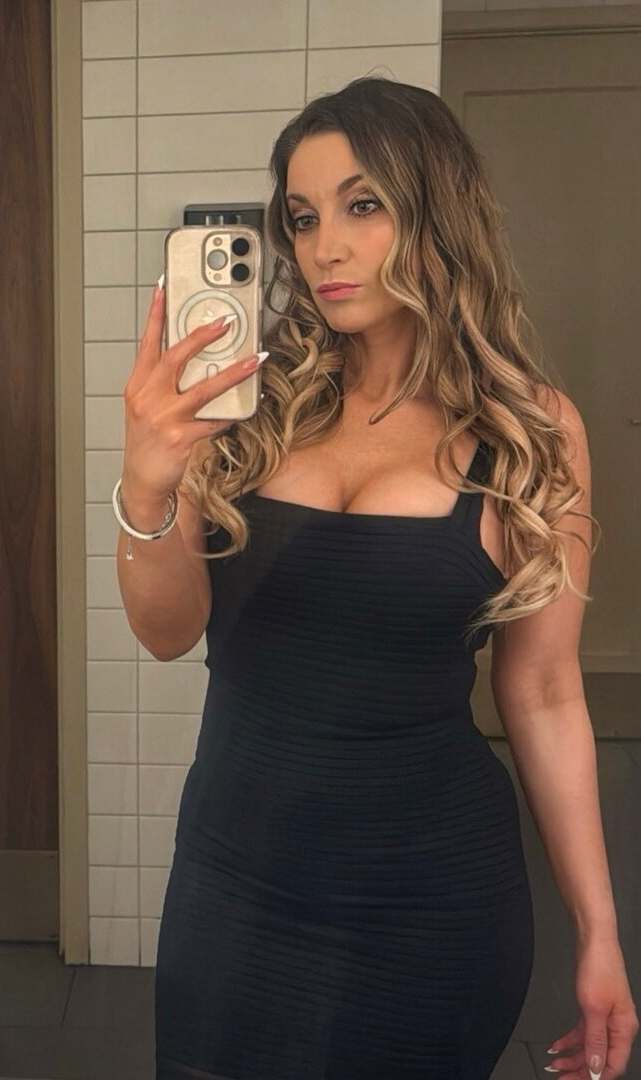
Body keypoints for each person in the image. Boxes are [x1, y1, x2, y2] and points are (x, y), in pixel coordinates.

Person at [115, 75, 638, 1080]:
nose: (325, 248)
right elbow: (166, 631)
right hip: (235, 884)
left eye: (363, 206)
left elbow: (543, 689)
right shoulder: (246, 406)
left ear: (435, 210)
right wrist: (146, 484)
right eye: (304, 217)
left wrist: (601, 931)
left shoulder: (530, 430)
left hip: (430, 904)